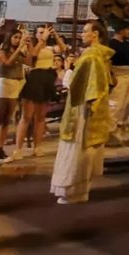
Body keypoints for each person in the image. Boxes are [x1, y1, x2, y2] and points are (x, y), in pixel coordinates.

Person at [50, 20, 114, 204]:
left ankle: (70, 190)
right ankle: (81, 190)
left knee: (76, 149)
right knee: (86, 148)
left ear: (95, 34)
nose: (82, 34)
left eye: (85, 31)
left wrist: (69, 71)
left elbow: (78, 85)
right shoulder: (102, 55)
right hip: (92, 107)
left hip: (81, 109)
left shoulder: (90, 56)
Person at [12, 23, 68, 160]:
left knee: (41, 117)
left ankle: (38, 146)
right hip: (35, 78)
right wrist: (42, 40)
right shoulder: (29, 44)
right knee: (27, 116)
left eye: (45, 31)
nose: (43, 34)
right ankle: (18, 149)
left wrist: (55, 35)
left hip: (47, 78)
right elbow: (32, 55)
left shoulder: (50, 47)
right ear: (36, 34)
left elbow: (64, 49)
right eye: (40, 32)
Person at [0, 28, 30, 163]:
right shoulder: (2, 52)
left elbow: (29, 62)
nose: (18, 40)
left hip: (14, 87)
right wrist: (19, 50)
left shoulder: (20, 52)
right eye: (15, 37)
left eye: (19, 37)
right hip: (3, 86)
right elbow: (7, 63)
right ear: (9, 38)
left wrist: (26, 47)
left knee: (7, 120)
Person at [107, 25, 129, 145]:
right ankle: (110, 133)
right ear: (121, 29)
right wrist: (111, 77)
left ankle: (121, 129)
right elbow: (108, 62)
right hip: (118, 76)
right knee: (116, 105)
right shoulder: (111, 44)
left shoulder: (128, 44)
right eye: (127, 28)